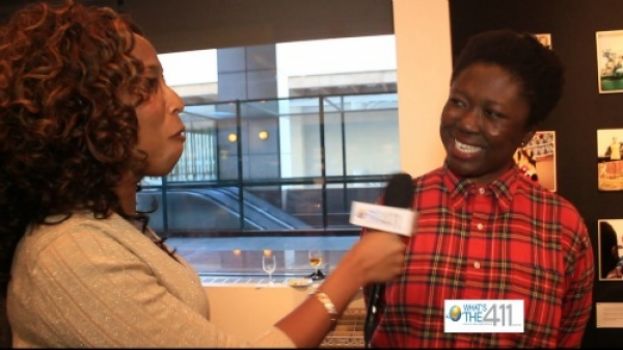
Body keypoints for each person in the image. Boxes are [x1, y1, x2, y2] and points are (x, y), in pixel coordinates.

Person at [0, 1, 407, 347]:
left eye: (165, 81)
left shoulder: (112, 229)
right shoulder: (72, 255)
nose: (176, 101)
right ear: (86, 116)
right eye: (147, 85)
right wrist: (352, 272)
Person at [366, 30, 594, 348]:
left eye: (493, 114)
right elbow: (375, 315)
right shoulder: (395, 207)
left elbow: (568, 336)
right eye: (458, 102)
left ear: (528, 134)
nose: (468, 123)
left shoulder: (564, 229)